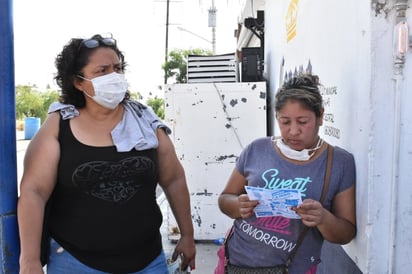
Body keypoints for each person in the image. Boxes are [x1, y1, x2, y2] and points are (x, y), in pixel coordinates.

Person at [17, 34, 196, 274]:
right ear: (77, 81)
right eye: (102, 71)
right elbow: (33, 192)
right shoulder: (58, 127)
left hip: (147, 261)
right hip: (76, 262)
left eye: (118, 68)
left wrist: (187, 234)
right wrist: (29, 260)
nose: (114, 76)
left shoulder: (145, 122)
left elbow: (174, 179)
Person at [217, 74, 356, 273]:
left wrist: (323, 219)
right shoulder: (257, 149)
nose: (293, 131)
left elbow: (346, 232)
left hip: (292, 268)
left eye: (302, 121)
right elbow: (224, 200)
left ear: (320, 116)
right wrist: (239, 205)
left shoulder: (339, 162)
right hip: (235, 262)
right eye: (285, 122)